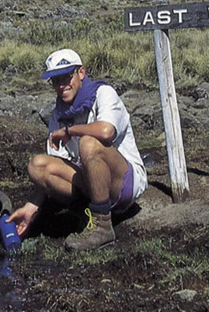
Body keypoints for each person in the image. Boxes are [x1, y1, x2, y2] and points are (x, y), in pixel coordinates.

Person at [8, 49, 148, 250]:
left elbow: (107, 131)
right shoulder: (58, 114)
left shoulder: (103, 94)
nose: (61, 85)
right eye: (55, 81)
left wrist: (70, 131)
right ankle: (84, 213)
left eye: (66, 77)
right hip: (90, 181)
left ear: (81, 73)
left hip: (123, 182)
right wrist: (31, 207)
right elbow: (58, 163)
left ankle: (103, 227)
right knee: (38, 166)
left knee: (89, 143)